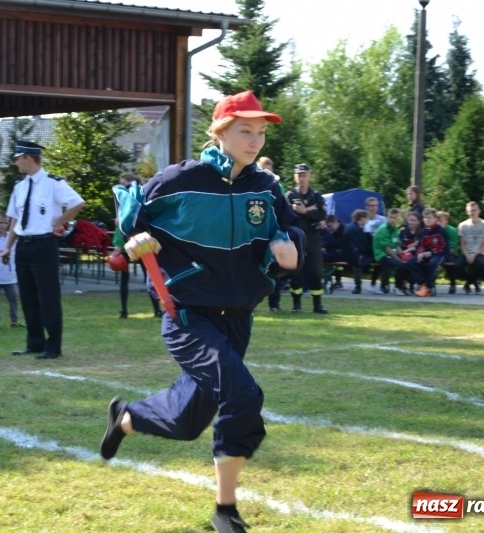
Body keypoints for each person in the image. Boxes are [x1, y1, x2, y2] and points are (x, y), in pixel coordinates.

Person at [100, 90, 300, 533]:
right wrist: (130, 242)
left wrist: (288, 248)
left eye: (260, 132)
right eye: (245, 131)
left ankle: (127, 418)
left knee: (189, 419)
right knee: (242, 395)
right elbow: (133, 214)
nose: (254, 140)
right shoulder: (180, 179)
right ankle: (224, 512)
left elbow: (287, 228)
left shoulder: (266, 186)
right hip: (187, 314)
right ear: (220, 133)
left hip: (239, 314)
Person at [1, 140, 85, 359]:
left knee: (47, 297)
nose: (16, 162)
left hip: (43, 244)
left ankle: (53, 346)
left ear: (29, 157)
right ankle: (34, 342)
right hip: (24, 245)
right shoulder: (19, 186)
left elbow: (77, 203)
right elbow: (15, 220)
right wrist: (7, 247)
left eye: (18, 158)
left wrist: (58, 223)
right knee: (27, 296)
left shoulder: (53, 183)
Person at [112, 174, 162, 319]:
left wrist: (118, 245)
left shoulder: (133, 198)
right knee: (133, 277)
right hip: (134, 242)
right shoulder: (134, 198)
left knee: (150, 276)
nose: (123, 185)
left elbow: (123, 227)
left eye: (124, 182)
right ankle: (125, 310)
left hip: (139, 241)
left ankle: (157, 309)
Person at [286, 163, 328, 314]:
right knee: (295, 271)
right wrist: (311, 210)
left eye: (304, 175)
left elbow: (322, 215)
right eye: (299, 175)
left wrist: (304, 211)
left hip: (313, 237)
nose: (301, 178)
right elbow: (287, 215)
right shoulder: (290, 195)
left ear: (309, 176)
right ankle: (296, 305)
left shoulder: (316, 195)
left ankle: (318, 305)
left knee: (316, 271)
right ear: (295, 177)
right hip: (296, 236)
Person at [0, 211, 20, 327]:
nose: (2, 225)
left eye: (5, 223)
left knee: (14, 298)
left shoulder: (12, 238)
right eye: (0, 222)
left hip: (10, 275)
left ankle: (14, 320)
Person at [409, 208, 449, 297]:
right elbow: (420, 245)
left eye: (429, 218)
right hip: (426, 254)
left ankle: (428, 286)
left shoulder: (441, 231)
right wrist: (420, 253)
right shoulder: (423, 232)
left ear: (435, 219)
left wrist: (431, 253)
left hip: (440, 254)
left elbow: (444, 247)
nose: (427, 220)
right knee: (412, 262)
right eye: (425, 218)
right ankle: (423, 284)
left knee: (433, 263)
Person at [456, 201, 484, 294]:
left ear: (479, 211)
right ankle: (474, 282)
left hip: (480, 252)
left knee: (482, 264)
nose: (472, 213)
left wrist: (474, 255)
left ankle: (467, 284)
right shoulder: (462, 225)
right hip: (466, 252)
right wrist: (467, 255)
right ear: (467, 212)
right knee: (457, 266)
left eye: (474, 210)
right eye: (470, 211)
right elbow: (462, 244)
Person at [372, 208, 409, 295]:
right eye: (391, 217)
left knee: (407, 263)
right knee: (399, 264)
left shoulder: (395, 229)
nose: (392, 220)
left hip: (389, 253)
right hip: (381, 255)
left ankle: (404, 286)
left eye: (395, 218)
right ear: (387, 217)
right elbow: (387, 249)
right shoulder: (383, 229)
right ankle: (397, 287)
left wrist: (403, 255)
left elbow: (397, 245)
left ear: (397, 219)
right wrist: (398, 259)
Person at [343, 209, 372, 294]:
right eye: (367, 218)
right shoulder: (358, 229)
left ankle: (358, 285)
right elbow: (364, 245)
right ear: (362, 218)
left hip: (349, 254)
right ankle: (358, 285)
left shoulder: (351, 226)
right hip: (356, 255)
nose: (367, 221)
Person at [363, 196, 386, 291]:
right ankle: (371, 284)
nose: (374, 208)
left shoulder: (383, 220)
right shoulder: (363, 220)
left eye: (376, 205)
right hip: (367, 249)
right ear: (366, 207)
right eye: (371, 206)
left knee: (385, 258)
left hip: (379, 249)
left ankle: (383, 285)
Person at [397, 211, 422, 293]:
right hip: (402, 254)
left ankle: (413, 284)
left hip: (416, 255)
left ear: (418, 222)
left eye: (414, 220)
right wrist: (403, 252)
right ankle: (401, 286)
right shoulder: (403, 232)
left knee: (411, 263)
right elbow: (398, 244)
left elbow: (417, 247)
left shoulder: (421, 233)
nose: (411, 222)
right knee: (401, 264)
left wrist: (408, 250)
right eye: (410, 220)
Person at [436, 211, 459, 294]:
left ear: (446, 221)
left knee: (450, 264)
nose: (439, 223)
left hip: (450, 254)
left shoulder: (452, 230)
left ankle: (453, 282)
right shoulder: (434, 230)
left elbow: (452, 248)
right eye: (437, 220)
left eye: (441, 221)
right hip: (437, 253)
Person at [321, 214, 344, 290]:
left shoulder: (344, 230)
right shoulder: (334, 231)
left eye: (330, 226)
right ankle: (335, 281)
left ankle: (337, 281)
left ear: (336, 222)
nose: (330, 229)